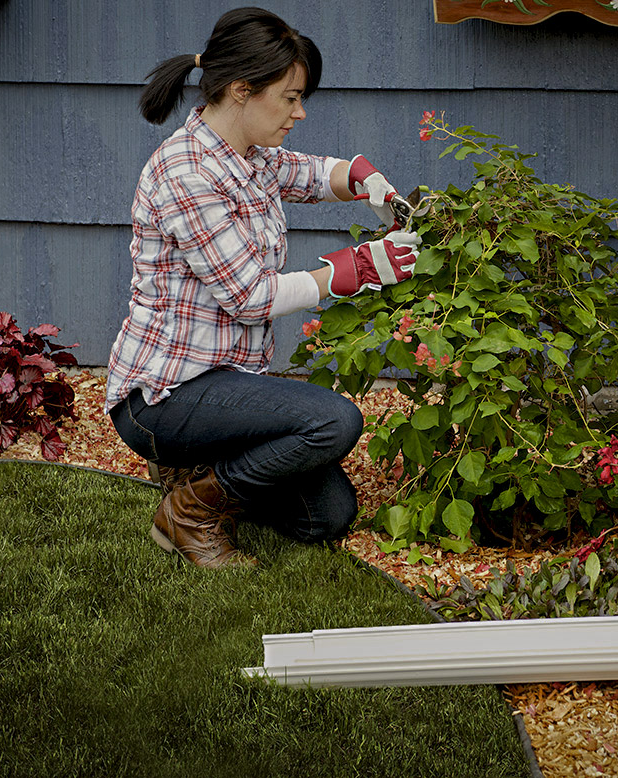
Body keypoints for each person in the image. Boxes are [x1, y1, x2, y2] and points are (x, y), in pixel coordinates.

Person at [106, 7, 419, 569]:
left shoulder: (248, 156)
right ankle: (189, 512)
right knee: (334, 421)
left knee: (326, 516)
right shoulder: (188, 174)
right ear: (241, 90)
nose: (300, 113)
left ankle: (202, 469)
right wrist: (360, 269)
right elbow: (251, 297)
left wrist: (364, 179)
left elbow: (311, 174)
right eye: (291, 97)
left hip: (225, 385)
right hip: (166, 396)